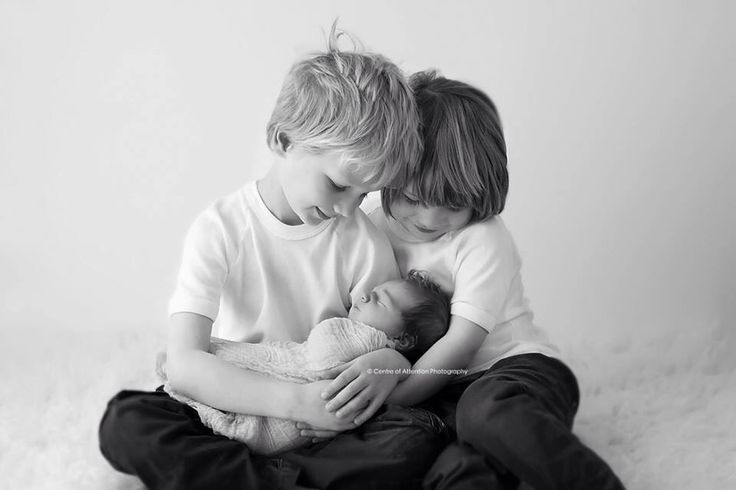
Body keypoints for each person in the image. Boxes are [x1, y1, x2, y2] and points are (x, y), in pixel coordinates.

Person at [98, 26, 447, 490]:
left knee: (416, 436)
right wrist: (296, 403)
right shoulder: (219, 229)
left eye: (366, 192)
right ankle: (283, 481)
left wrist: (391, 368)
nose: (349, 206)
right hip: (227, 405)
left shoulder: (361, 241)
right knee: (127, 421)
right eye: (341, 184)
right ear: (284, 141)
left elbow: (388, 340)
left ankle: (244, 479)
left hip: (320, 426)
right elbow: (185, 362)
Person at [315, 71, 626, 489]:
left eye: (452, 203)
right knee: (443, 460)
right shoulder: (369, 228)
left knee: (484, 413)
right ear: (387, 173)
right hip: (437, 393)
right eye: (412, 197)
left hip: (511, 373)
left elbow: (460, 344)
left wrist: (394, 394)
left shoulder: (482, 238)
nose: (429, 219)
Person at [159, 271, 450, 456]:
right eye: (373, 290)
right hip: (269, 404)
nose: (363, 294)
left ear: (403, 340)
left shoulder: (360, 342)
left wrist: (393, 361)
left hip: (268, 415)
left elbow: (321, 361)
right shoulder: (384, 360)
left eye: (379, 301)